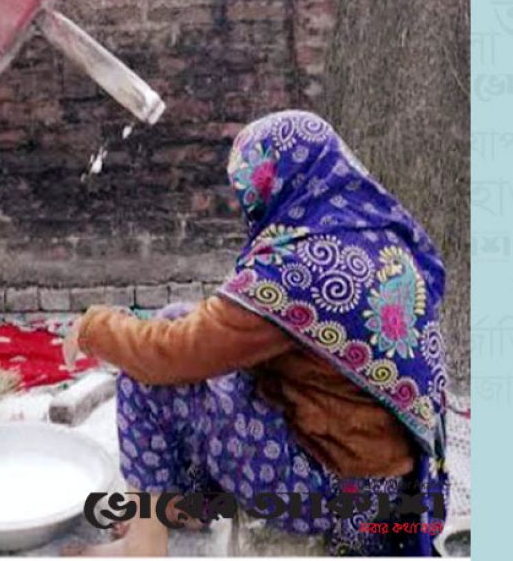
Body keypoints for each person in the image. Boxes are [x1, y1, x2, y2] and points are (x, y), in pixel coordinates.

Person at [62, 110, 449, 556]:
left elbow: (171, 354)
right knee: (175, 318)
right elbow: (219, 329)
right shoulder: (373, 236)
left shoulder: (296, 267)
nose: (247, 200)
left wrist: (93, 327)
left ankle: (144, 545)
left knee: (146, 373)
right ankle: (180, 503)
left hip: (346, 501)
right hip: (398, 490)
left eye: (250, 185)